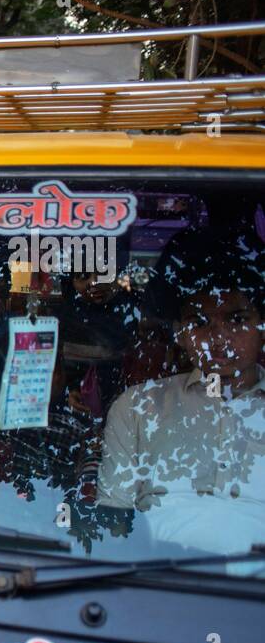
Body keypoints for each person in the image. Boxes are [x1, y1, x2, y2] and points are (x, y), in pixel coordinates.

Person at [97, 235, 265, 554]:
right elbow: (115, 523)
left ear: (262, 325)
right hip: (160, 584)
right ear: (180, 334)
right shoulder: (137, 407)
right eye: (199, 322)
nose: (218, 338)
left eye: (237, 320)